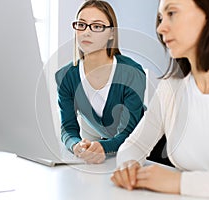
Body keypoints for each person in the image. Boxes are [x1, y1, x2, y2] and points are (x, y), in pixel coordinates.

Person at [111, 0, 209, 199]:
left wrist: (179, 182)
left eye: (172, 13)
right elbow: (135, 145)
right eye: (160, 18)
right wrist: (128, 166)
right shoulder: (170, 90)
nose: (160, 27)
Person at [55, 0, 146, 164]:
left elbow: (128, 133)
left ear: (112, 33)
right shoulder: (65, 77)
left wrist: (102, 147)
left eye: (97, 26)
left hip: (150, 150)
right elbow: (68, 129)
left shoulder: (132, 73)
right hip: (113, 154)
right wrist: (76, 146)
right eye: (81, 25)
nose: (86, 32)